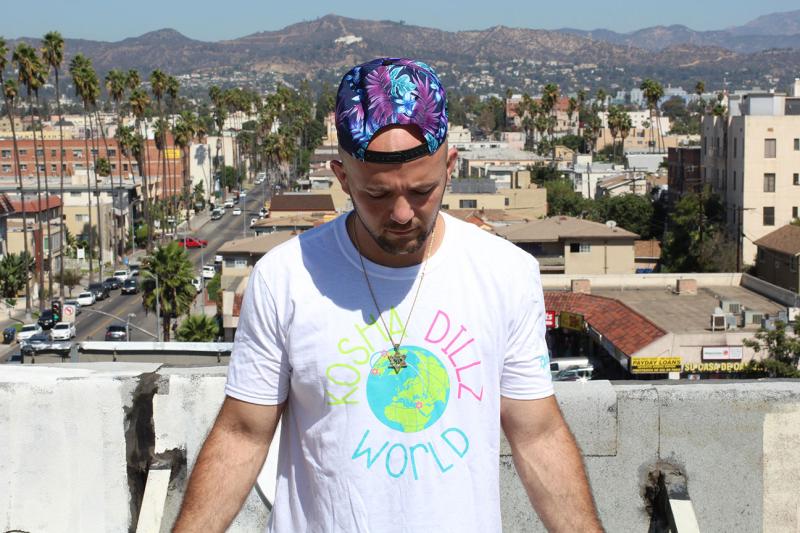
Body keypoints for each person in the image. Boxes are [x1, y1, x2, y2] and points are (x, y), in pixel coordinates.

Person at [174, 57, 602, 532]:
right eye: (377, 195)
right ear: (342, 177)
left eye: (422, 191)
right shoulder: (285, 277)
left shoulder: (506, 274)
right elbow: (242, 433)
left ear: (451, 166)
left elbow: (537, 433)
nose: (402, 213)